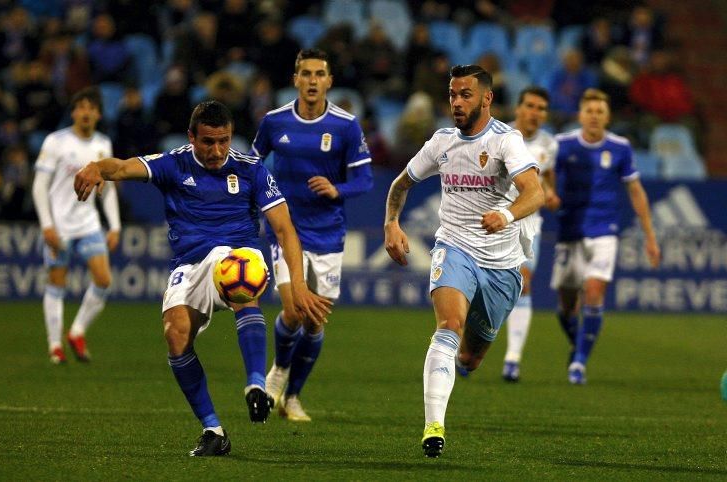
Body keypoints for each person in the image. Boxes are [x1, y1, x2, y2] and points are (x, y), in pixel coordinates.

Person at [74, 100, 332, 456]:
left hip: (238, 252)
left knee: (243, 277)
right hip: (190, 264)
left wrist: (298, 286)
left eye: (224, 140)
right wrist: (95, 167)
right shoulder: (172, 163)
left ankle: (256, 385)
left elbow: (285, 230)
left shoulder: (251, 169)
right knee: (175, 334)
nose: (217, 150)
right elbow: (120, 168)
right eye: (208, 141)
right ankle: (213, 430)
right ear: (191, 137)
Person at [383, 65, 544, 457]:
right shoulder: (441, 142)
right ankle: (433, 426)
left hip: (503, 264)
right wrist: (391, 223)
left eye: (465, 95)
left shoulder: (507, 141)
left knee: (470, 357)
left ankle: (454, 367)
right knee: (448, 325)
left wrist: (505, 215)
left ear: (486, 98)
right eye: (452, 95)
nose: (456, 102)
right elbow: (400, 184)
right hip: (454, 247)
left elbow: (535, 193)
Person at [251, 48, 373, 422]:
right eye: (305, 74)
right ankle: (278, 375)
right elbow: (252, 166)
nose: (312, 81)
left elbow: (365, 179)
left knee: (315, 321)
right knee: (293, 309)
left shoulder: (346, 125)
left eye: (320, 74)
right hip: (285, 230)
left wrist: (338, 189)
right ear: (295, 79)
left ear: (329, 81)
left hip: (328, 234)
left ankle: (292, 397)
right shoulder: (273, 122)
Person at [551, 88, 661, 385]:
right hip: (570, 231)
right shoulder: (562, 144)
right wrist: (548, 193)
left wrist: (650, 235)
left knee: (595, 290)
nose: (595, 116)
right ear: (580, 115)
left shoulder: (621, 148)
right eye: (590, 111)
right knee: (566, 303)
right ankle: (579, 343)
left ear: (608, 116)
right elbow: (542, 176)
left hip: (604, 231)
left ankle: (579, 364)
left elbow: (635, 191)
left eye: (600, 111)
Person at [32, 87, 120, 365]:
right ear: (73, 112)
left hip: (89, 224)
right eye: (80, 107)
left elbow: (108, 188)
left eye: (91, 108)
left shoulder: (103, 144)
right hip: (60, 227)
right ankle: (54, 345)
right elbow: (39, 186)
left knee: (104, 279)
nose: (85, 112)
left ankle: (77, 331)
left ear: (98, 114)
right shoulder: (55, 142)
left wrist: (114, 225)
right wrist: (47, 226)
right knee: (57, 283)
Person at [501, 86, 560, 382]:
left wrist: (550, 194)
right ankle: (465, 347)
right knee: (481, 287)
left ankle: (512, 358)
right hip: (495, 219)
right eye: (530, 106)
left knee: (523, 284)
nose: (535, 113)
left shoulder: (549, 145)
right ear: (518, 108)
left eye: (541, 108)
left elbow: (547, 180)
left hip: (527, 224)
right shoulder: (498, 135)